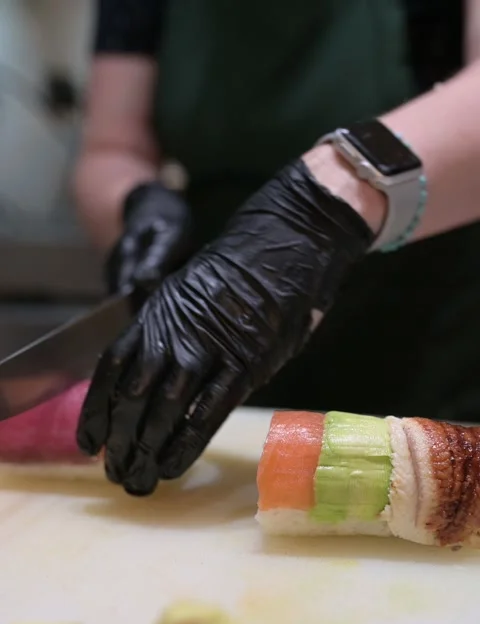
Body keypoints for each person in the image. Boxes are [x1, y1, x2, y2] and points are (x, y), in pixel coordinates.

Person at [74, 0, 480, 496]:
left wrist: (319, 208)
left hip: (423, 331)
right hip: (216, 338)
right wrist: (135, 203)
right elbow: (111, 148)